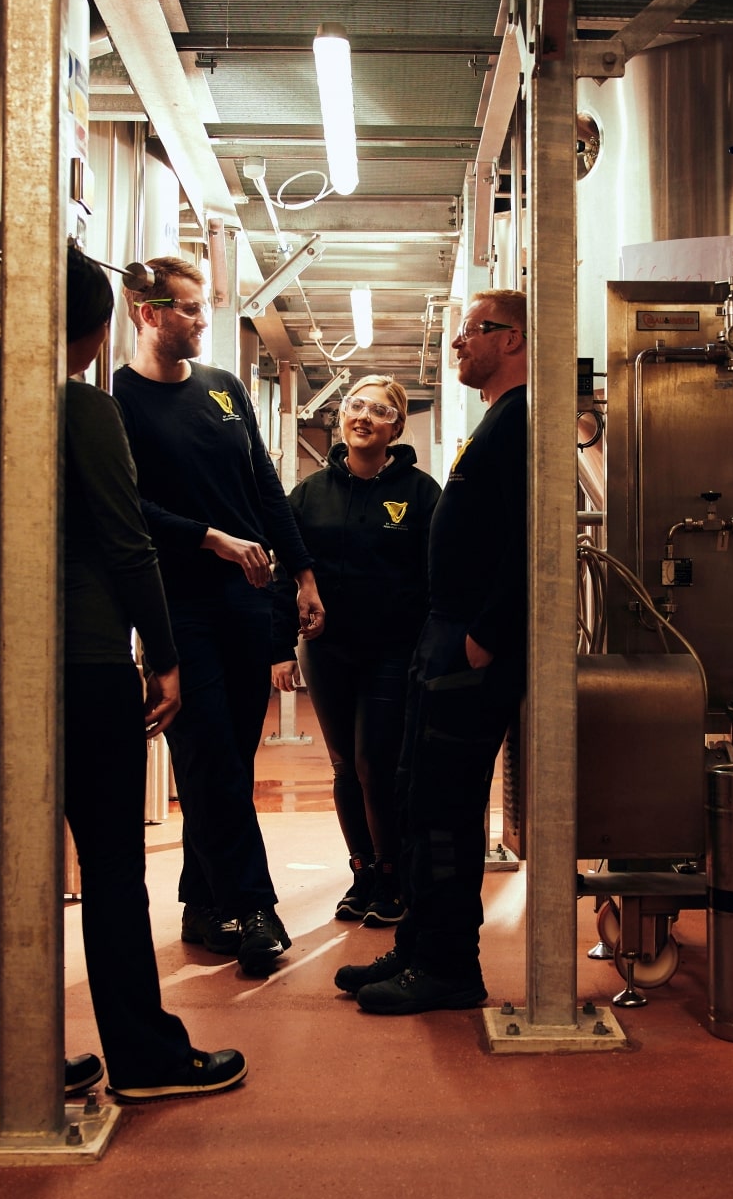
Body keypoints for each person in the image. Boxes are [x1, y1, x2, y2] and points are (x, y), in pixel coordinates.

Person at [0, 245, 247, 1102]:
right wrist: (167, 654)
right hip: (86, 660)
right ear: (89, 326)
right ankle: (145, 1059)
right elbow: (126, 541)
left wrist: (12, 595)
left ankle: (3, 1063)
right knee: (111, 862)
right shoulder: (82, 408)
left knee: (11, 855)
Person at [113, 257, 324, 978]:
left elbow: (264, 485)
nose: (204, 322)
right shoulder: (117, 401)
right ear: (148, 314)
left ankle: (202, 904)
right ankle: (255, 906)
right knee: (206, 757)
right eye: (191, 310)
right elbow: (126, 506)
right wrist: (207, 536)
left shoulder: (225, 391)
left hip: (250, 599)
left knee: (228, 757)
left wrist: (301, 574)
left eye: (204, 309)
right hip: (179, 602)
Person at [333, 290, 528, 1014]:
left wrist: (487, 633)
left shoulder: (522, 422)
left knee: (445, 807)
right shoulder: (495, 422)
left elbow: (529, 540)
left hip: (471, 643)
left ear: (510, 339)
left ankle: (449, 966)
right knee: (415, 795)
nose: (457, 345)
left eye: (470, 333)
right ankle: (418, 941)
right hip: (442, 635)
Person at [273, 375, 441, 927]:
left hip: (394, 649)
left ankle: (393, 876)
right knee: (344, 763)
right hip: (326, 650)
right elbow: (286, 573)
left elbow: (438, 576)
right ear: (340, 418)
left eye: (379, 409)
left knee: (377, 762)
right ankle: (363, 872)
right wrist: (280, 647)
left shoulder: (420, 493)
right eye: (354, 405)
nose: (363, 416)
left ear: (396, 427)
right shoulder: (309, 493)